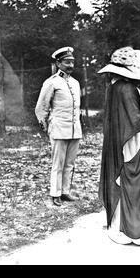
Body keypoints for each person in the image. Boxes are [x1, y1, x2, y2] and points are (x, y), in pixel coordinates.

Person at [98, 46, 140, 245]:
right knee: (137, 180)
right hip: (130, 141)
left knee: (123, 179)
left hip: (119, 140)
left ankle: (118, 227)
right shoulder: (126, 89)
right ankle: (135, 231)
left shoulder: (115, 86)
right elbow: (135, 119)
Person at [35, 47, 81, 207]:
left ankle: (65, 191)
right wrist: (46, 126)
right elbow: (41, 108)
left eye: (72, 62)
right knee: (58, 163)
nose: (70, 65)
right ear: (58, 63)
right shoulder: (51, 82)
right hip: (58, 129)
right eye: (67, 62)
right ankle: (55, 194)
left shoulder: (75, 83)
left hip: (75, 130)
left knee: (69, 163)